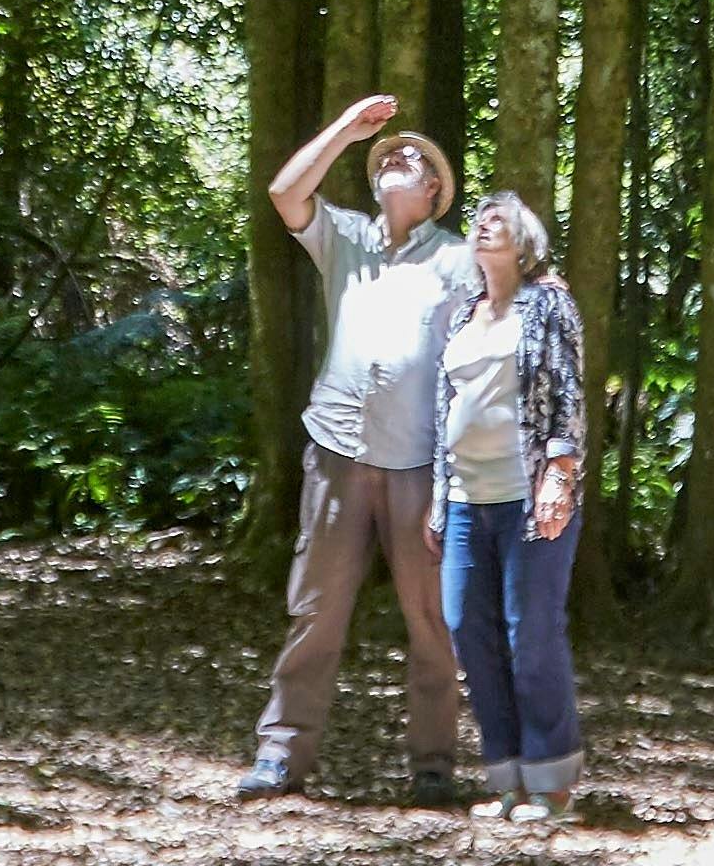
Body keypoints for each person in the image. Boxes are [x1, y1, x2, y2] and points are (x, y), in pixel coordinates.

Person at [247, 91, 469, 804]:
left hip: (420, 467)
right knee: (317, 608)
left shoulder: (458, 261)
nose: (393, 163)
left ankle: (433, 764)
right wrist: (347, 128)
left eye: (410, 159)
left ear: (434, 190)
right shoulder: (343, 236)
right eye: (385, 159)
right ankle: (283, 755)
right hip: (338, 454)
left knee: (432, 618)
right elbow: (284, 192)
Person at [436, 188, 587, 822]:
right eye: (479, 220)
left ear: (525, 243)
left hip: (530, 496)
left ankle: (550, 783)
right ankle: (506, 777)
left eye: (499, 221)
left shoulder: (548, 303)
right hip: (465, 499)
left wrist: (561, 470)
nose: (484, 227)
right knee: (467, 630)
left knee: (532, 636)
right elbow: (442, 409)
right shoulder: (465, 313)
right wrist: (435, 499)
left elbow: (569, 392)